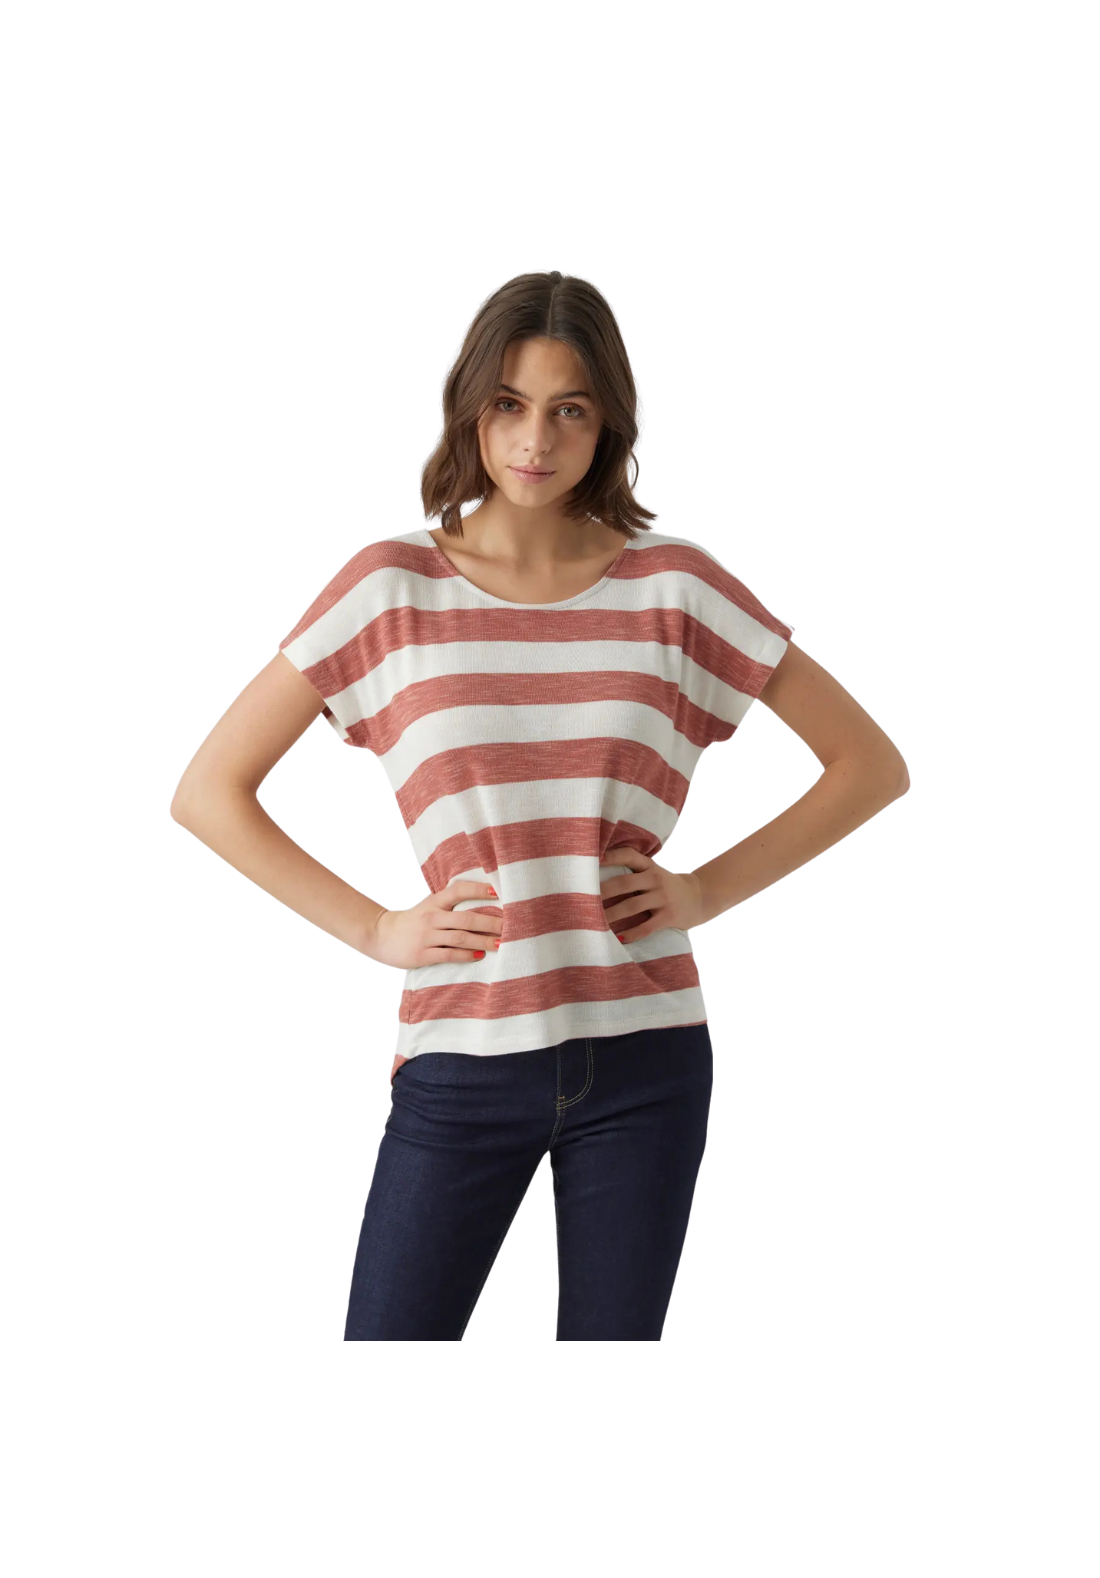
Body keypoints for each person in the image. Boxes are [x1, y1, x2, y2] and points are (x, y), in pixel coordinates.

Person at [170, 270, 909, 1341]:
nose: (534, 439)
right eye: (508, 403)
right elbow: (207, 792)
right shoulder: (389, 588)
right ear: (470, 409)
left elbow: (868, 765)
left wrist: (703, 891)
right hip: (461, 1057)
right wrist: (375, 928)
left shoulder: (675, 588)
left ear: (607, 424)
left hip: (646, 1056)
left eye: (571, 409)